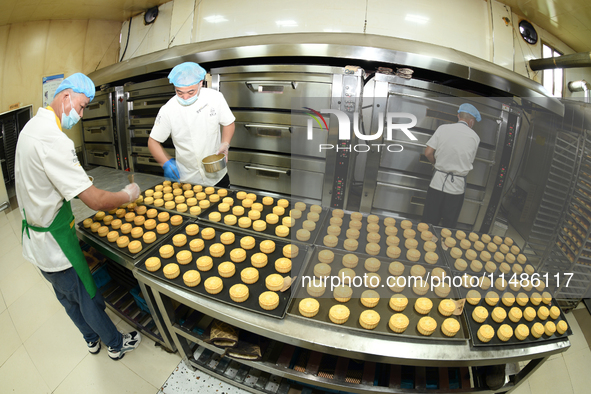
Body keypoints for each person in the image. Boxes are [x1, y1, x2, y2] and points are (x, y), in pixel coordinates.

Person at [15, 73, 142, 360]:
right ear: (66, 96)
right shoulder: (55, 139)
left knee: (65, 299)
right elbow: (96, 201)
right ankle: (115, 343)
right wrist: (127, 195)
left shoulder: (31, 127)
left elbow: (39, 176)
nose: (82, 114)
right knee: (87, 296)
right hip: (56, 242)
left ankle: (90, 339)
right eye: (83, 106)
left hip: (35, 238)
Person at [148, 62, 235, 187]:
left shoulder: (215, 98)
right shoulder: (168, 109)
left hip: (217, 175)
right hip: (187, 179)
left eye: (191, 92)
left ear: (201, 83)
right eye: (179, 92)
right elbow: (153, 141)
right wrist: (165, 163)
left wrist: (225, 144)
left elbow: (229, 123)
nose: (185, 97)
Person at [421, 103, 481, 228]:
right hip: (457, 187)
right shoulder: (475, 137)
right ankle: (444, 246)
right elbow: (469, 160)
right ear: (471, 121)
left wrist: (436, 164)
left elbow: (428, 153)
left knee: (429, 222)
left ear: (458, 116)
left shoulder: (443, 129)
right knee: (448, 226)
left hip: (437, 182)